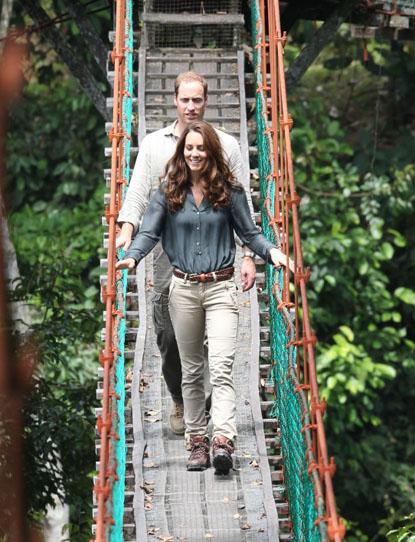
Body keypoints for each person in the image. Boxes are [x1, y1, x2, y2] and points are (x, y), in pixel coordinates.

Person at [116, 121, 293, 474]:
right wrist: (133, 255)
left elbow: (249, 232)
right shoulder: (168, 192)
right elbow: (149, 231)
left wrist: (271, 253)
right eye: (189, 148)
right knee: (192, 371)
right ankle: (197, 441)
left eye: (201, 149)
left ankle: (222, 440)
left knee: (222, 367)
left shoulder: (229, 191)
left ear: (211, 152)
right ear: (182, 152)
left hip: (221, 288)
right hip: (182, 290)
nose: (194, 154)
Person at [116, 71, 257, 435]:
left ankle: (206, 402)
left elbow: (244, 207)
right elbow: (137, 194)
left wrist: (247, 255)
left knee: (215, 335)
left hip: (217, 256)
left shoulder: (226, 145)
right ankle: (182, 397)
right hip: (168, 254)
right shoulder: (153, 145)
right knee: (167, 335)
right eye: (185, 100)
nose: (191, 106)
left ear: (206, 102)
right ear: (175, 101)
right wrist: (128, 229)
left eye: (197, 100)